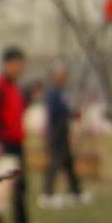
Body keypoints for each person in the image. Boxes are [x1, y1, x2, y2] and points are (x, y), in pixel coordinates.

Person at [0, 47, 30, 223]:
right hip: (3, 143)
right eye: (17, 64)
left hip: (16, 141)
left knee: (20, 186)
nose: (20, 68)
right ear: (7, 64)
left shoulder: (14, 86)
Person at [38, 60, 89, 208]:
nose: (63, 77)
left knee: (68, 163)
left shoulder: (61, 92)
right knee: (54, 163)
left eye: (64, 75)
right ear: (54, 76)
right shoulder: (52, 93)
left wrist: (72, 114)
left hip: (63, 131)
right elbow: (56, 111)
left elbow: (65, 109)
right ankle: (47, 194)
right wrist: (70, 114)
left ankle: (75, 192)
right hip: (55, 132)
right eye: (60, 75)